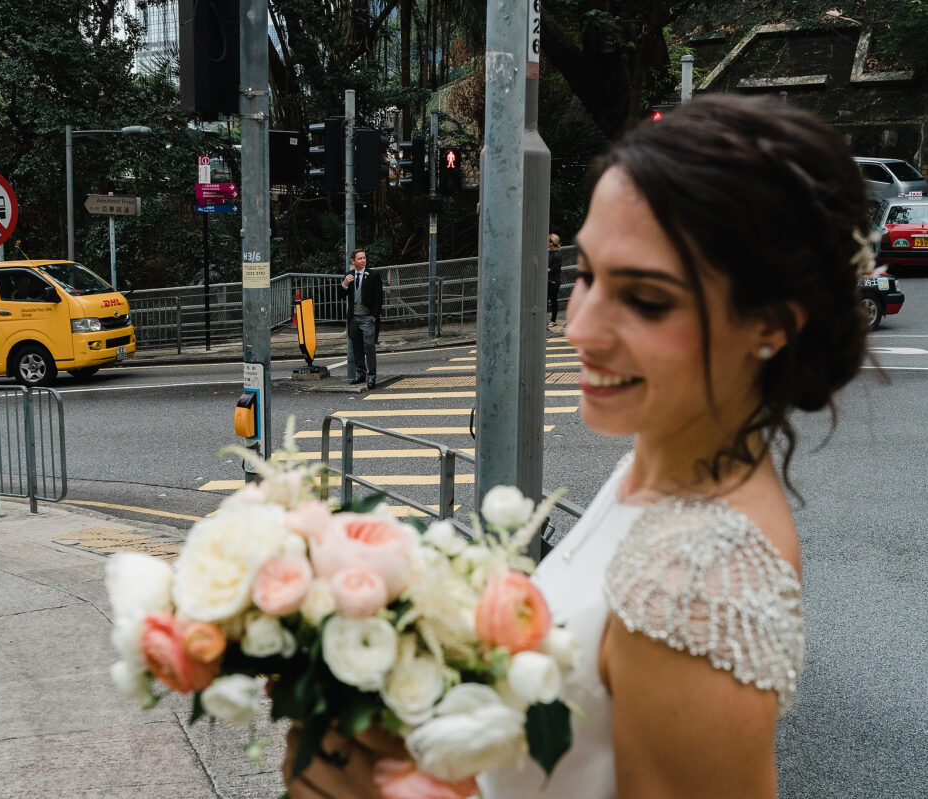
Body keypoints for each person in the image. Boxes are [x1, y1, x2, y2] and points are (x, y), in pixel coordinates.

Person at [284, 94, 871, 798]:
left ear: (768, 326)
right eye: (588, 274)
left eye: (647, 300)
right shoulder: (654, 472)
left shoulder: (696, 583)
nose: (579, 328)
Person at [339, 249, 383, 389]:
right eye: (360, 259)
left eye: (364, 258)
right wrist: (345, 284)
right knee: (356, 347)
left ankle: (371, 377)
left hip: (367, 317)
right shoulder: (349, 276)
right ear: (353, 261)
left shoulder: (373, 275)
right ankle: (361, 374)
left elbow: (379, 298)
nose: (363, 261)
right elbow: (340, 296)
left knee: (369, 346)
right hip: (354, 318)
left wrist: (374, 316)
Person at [546, 233, 563, 328]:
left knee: (553, 301)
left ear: (552, 243)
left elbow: (556, 269)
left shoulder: (557, 255)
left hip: (554, 281)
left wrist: (547, 269)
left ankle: (553, 320)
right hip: (547, 280)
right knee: (545, 300)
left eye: (548, 240)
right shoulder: (548, 252)